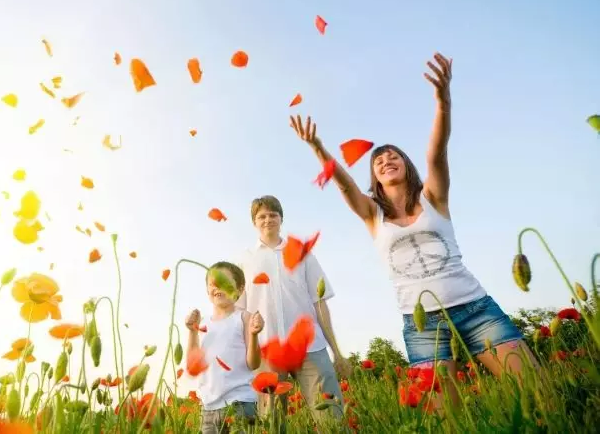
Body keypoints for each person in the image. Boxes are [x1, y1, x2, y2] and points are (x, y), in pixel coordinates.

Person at [290, 52, 539, 403]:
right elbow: (345, 185)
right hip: (422, 324)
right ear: (375, 177)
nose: (386, 160)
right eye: (378, 160)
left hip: (475, 308)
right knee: (447, 418)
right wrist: (317, 146)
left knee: (535, 392)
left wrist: (443, 102)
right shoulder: (371, 214)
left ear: (406, 164)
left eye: (393, 156)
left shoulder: (434, 197)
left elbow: (437, 153)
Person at [235, 195, 350, 425]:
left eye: (273, 215)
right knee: (272, 422)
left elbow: (320, 303)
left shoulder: (302, 254)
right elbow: (240, 313)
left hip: (310, 347)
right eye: (262, 216)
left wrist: (336, 351)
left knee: (332, 419)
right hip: (268, 351)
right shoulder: (245, 260)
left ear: (281, 218)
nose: (268, 220)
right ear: (254, 222)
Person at [185, 261, 265, 434]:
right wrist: (192, 332)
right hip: (208, 408)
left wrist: (253, 334)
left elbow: (253, 364)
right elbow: (193, 366)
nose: (218, 287)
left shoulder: (244, 318)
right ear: (207, 290)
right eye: (213, 283)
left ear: (240, 289)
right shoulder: (203, 323)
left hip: (240, 404)